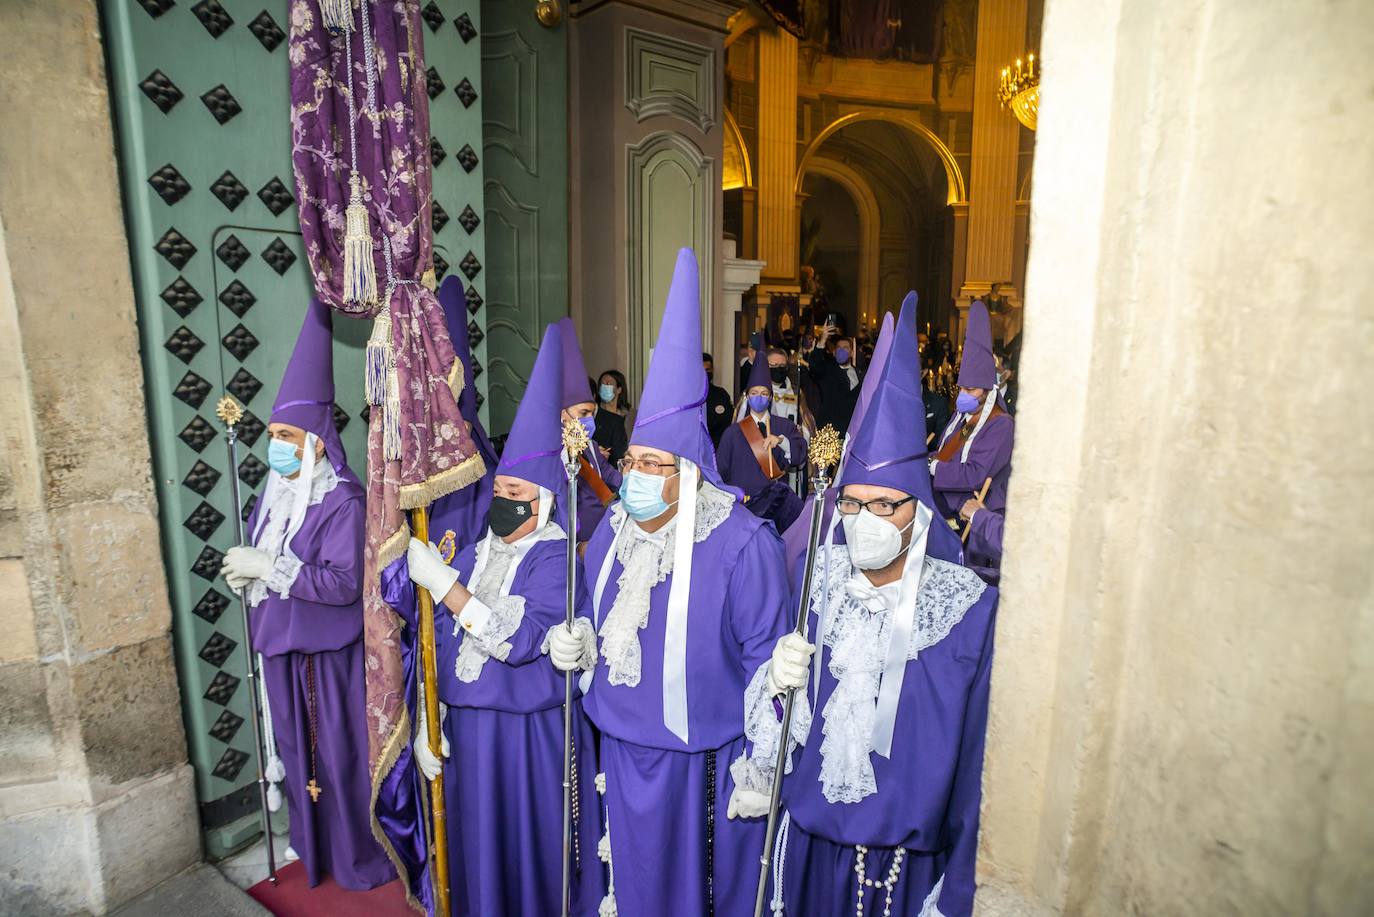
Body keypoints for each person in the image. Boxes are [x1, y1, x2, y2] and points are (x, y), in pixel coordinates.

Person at [545, 249, 802, 917]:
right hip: (618, 753)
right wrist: (574, 642)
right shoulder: (616, 529)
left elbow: (766, 672)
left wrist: (763, 768)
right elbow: (593, 609)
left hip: (702, 773)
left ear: (688, 470)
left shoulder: (744, 545)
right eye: (631, 460)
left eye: (652, 463)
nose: (633, 476)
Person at [770, 291, 997, 917]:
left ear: (918, 514)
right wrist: (775, 684)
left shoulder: (966, 614)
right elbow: (786, 726)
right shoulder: (819, 584)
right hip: (812, 851)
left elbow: (980, 771)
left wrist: (955, 893)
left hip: (902, 872)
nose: (863, 520)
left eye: (882, 505)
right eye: (851, 503)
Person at [382, 323, 604, 916]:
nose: (502, 501)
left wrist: (444, 584)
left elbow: (517, 637)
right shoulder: (481, 551)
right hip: (468, 734)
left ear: (546, 501)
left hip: (525, 737)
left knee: (523, 855)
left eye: (518, 492)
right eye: (500, 487)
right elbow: (443, 641)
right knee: (474, 858)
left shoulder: (557, 557)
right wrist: (435, 718)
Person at [219, 298, 395, 890]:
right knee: (298, 757)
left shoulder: (342, 500)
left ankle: (354, 859)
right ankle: (309, 849)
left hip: (328, 656)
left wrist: (269, 566)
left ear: (317, 441)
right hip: (281, 648)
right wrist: (248, 573)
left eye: (287, 435)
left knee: (337, 762)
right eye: (272, 435)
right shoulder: (271, 496)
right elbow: (264, 559)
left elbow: (344, 585)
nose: (277, 446)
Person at [929, 301, 1014, 579]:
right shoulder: (965, 417)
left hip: (978, 524)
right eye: (961, 387)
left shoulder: (1000, 425)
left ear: (988, 391)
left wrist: (933, 469)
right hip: (947, 508)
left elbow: (974, 475)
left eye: (971, 389)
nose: (963, 393)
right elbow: (946, 455)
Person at [716, 351, 807, 532]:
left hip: (777, 509)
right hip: (743, 510)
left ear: (771, 397)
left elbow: (800, 455)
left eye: (764, 393)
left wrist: (782, 441)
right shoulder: (732, 433)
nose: (759, 397)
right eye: (755, 393)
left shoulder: (785, 426)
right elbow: (720, 473)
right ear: (747, 397)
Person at [558, 322, 621, 543]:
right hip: (569, 544)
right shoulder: (548, 453)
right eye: (583, 412)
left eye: (592, 413)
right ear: (563, 413)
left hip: (600, 538)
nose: (589, 420)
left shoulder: (591, 447)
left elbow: (614, 478)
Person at [807, 321, 865, 436]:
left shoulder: (860, 373)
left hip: (852, 432)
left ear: (852, 352)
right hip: (830, 432)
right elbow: (814, 366)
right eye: (838, 348)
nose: (841, 350)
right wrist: (823, 339)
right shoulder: (827, 370)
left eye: (845, 348)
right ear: (834, 352)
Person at [594, 369, 630, 465]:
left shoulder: (629, 416)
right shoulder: (593, 414)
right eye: (602, 384)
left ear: (619, 389)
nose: (605, 386)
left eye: (609, 384)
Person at [703, 352, 734, 445]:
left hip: (718, 448)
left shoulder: (721, 394)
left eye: (708, 370)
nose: (705, 374)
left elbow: (730, 423)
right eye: (702, 371)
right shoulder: (687, 396)